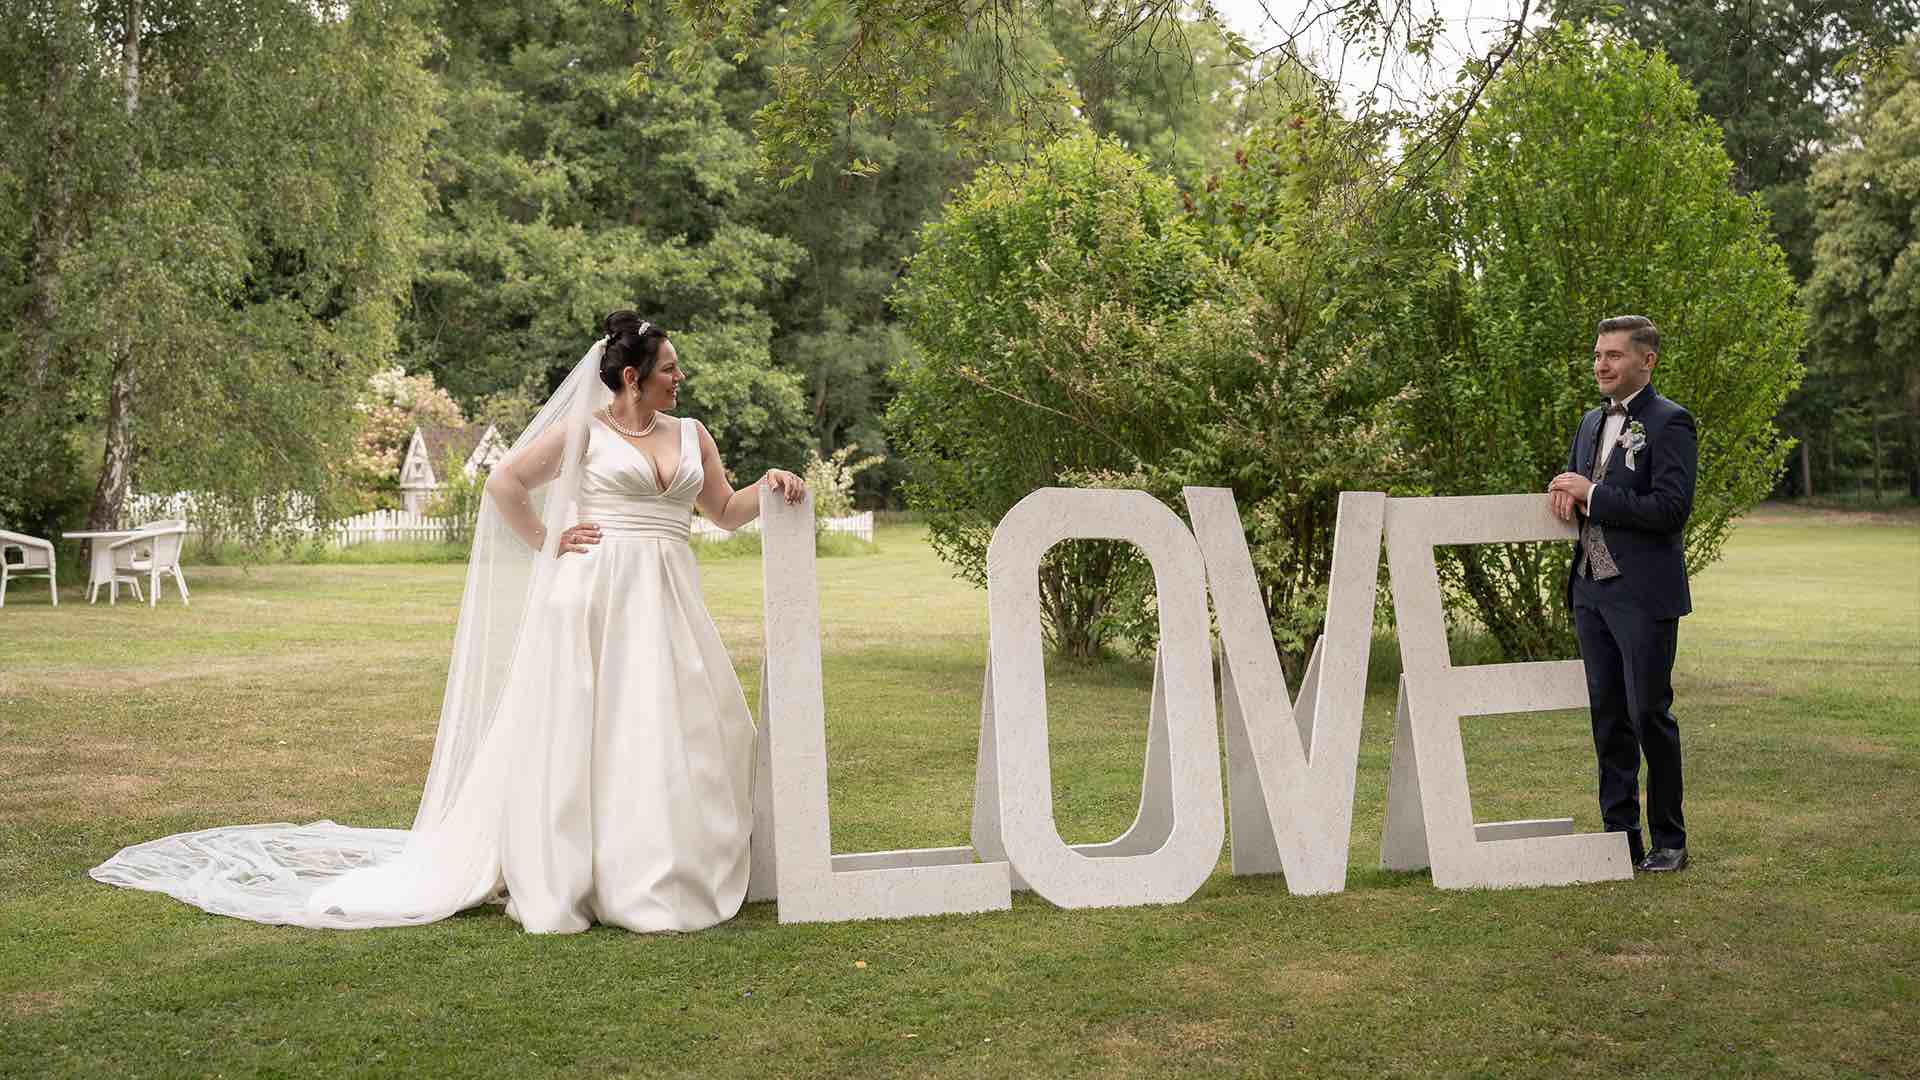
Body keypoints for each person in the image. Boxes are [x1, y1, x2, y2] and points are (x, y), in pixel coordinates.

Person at [91, 312, 805, 932]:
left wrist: (770, 484)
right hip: (595, 594)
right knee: (594, 730)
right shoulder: (583, 433)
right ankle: (580, 875)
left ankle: (667, 869)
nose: (681, 379)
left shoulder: (692, 434)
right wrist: (547, 542)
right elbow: (506, 483)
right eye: (670, 370)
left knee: (670, 729)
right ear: (629, 378)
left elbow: (722, 511)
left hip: (670, 596)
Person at [1548, 315, 1695, 874]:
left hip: (1642, 596)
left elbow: (1670, 509)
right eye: (1597, 354)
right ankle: (1618, 838)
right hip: (1589, 589)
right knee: (1608, 717)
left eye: (1613, 355)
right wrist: (1565, 490)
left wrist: (1595, 495)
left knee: (1647, 713)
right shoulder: (1589, 422)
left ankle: (1670, 842)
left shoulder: (1671, 422)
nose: (1600, 364)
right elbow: (1577, 481)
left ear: (1646, 360)